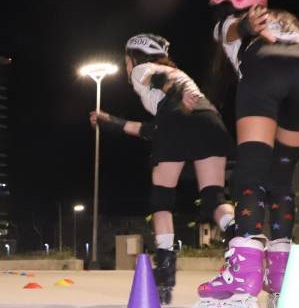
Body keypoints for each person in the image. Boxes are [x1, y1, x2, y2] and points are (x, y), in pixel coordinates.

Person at [195, 0, 299, 308]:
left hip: (267, 69)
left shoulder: (229, 23)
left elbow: (230, 31)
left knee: (252, 170)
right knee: (281, 175)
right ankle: (280, 277)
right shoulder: (287, 19)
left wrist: (243, 28)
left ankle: (244, 275)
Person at [90, 33, 235, 305]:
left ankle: (166, 270)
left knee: (161, 201)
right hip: (209, 118)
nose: (126, 67)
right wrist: (109, 120)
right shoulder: (180, 74)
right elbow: (151, 130)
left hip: (178, 115)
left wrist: (175, 92)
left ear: (134, 57)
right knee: (214, 196)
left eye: (125, 61)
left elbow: (159, 83)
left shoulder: (144, 70)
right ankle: (240, 240)